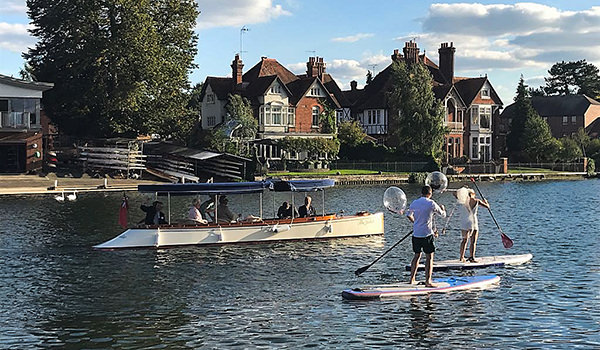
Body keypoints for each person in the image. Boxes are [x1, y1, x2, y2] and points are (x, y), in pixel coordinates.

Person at [406, 185, 446, 287]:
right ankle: (428, 281)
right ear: (430, 193)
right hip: (427, 234)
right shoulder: (431, 203)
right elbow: (443, 215)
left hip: (416, 234)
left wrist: (416, 223)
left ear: (422, 193)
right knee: (429, 257)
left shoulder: (415, 202)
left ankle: (412, 279)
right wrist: (443, 209)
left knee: (417, 255)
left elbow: (408, 215)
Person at [457, 188, 490, 263]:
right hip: (473, 222)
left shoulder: (462, 201)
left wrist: (463, 189)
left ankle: (461, 257)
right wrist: (486, 202)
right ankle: (472, 257)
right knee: (473, 241)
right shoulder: (477, 201)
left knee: (464, 240)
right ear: (472, 194)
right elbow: (487, 206)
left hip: (464, 222)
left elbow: (455, 193)